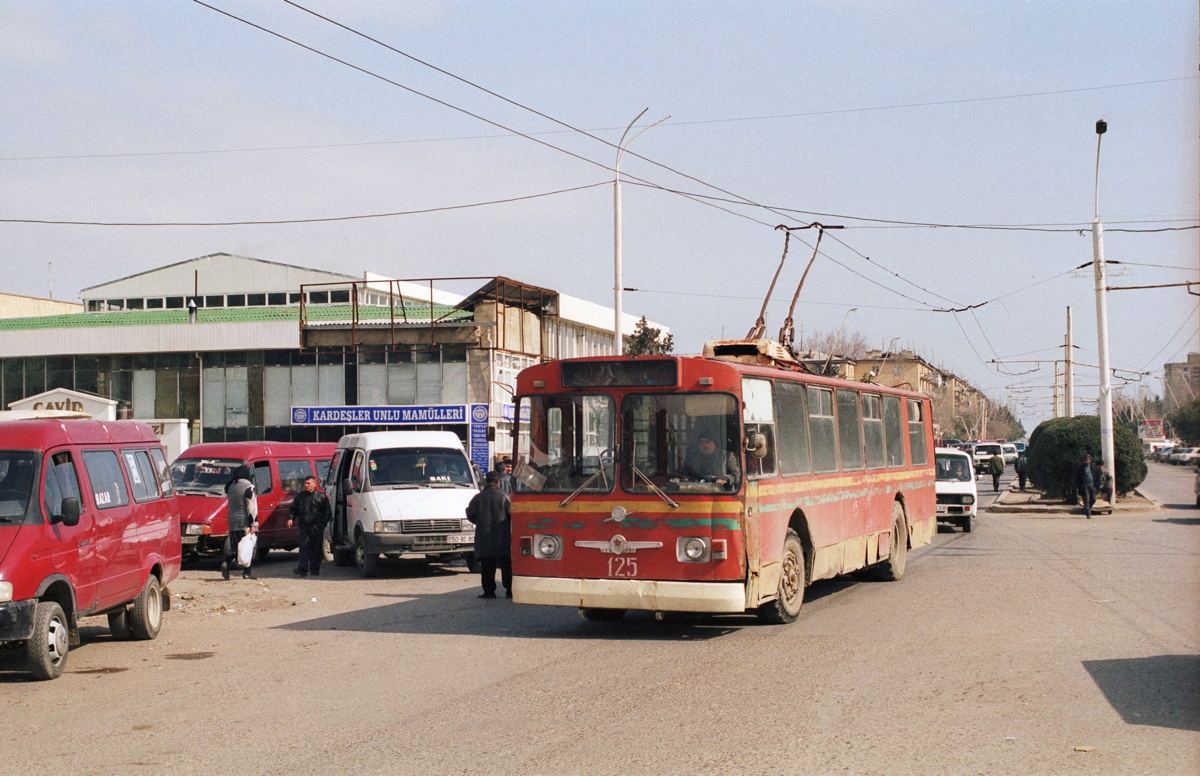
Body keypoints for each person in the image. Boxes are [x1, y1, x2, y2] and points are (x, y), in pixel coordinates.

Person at [466, 471, 512, 599]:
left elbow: (470, 514)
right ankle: (509, 590)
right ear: (498, 482)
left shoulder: (478, 497)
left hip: (484, 536)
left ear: (486, 482)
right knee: (506, 565)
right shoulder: (505, 496)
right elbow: (512, 515)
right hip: (503, 536)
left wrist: (480, 521)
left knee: (487, 566)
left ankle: (489, 592)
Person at [288, 476, 331, 577]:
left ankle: (315, 569)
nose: (306, 485)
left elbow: (327, 512)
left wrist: (321, 524)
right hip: (304, 526)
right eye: (305, 483)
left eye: (308, 483)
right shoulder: (300, 497)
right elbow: (293, 509)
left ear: (314, 484)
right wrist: (291, 518)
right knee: (304, 547)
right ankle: (302, 569)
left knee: (316, 548)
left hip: (316, 527)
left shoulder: (321, 497)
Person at [222, 464, 258, 580]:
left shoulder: (231, 487)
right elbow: (252, 508)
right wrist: (254, 524)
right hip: (245, 522)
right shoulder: (249, 488)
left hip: (232, 521)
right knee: (249, 546)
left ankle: (226, 562)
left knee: (235, 547)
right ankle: (247, 572)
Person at [1077, 453, 1097, 519]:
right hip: (1084, 485)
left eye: (1088, 459)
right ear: (1084, 460)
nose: (1087, 461)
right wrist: (1078, 487)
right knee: (1086, 499)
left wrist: (1097, 486)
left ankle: (1087, 508)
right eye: (1086, 459)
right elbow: (1077, 478)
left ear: (1090, 460)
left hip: (1092, 485)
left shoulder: (1093, 466)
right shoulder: (1081, 467)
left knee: (1093, 499)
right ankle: (1088, 514)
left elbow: (1096, 476)